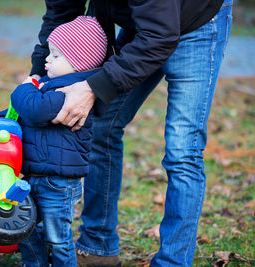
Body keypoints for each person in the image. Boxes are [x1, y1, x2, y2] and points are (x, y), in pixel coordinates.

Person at [28, 0, 233, 266]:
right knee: (101, 126)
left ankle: (172, 262)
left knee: (183, 151)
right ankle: (98, 247)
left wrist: (92, 88)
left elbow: (161, 35)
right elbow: (62, 13)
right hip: (145, 27)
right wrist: (36, 75)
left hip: (197, 24)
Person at [6, 16, 107, 267]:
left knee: (57, 238)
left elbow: (35, 110)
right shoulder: (51, 86)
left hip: (58, 183)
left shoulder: (70, 92)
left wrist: (23, 87)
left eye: (57, 55)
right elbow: (27, 116)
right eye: (50, 53)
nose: (47, 59)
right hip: (34, 176)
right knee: (26, 227)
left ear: (78, 63)